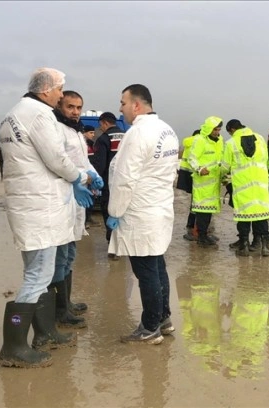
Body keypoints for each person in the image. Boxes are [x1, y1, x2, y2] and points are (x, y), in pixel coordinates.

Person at [0, 67, 100, 368]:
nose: (60, 94)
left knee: (39, 275)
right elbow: (56, 159)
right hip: (39, 208)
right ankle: (13, 346)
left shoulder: (14, 113)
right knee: (37, 276)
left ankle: (44, 333)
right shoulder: (39, 114)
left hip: (29, 204)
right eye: (59, 89)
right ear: (45, 90)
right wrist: (82, 177)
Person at [106, 83, 179, 344]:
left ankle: (150, 329)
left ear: (136, 105)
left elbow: (125, 178)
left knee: (146, 271)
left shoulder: (138, 134)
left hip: (139, 213)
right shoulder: (167, 131)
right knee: (158, 266)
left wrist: (114, 212)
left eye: (123, 103)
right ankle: (164, 318)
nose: (120, 109)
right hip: (159, 208)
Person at [50, 90, 104, 329]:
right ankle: (59, 310)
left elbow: (82, 161)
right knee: (61, 256)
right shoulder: (55, 129)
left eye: (78, 107)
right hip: (64, 196)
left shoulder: (76, 131)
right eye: (70, 106)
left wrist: (94, 174)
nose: (75, 111)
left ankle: (67, 303)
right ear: (60, 105)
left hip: (77, 198)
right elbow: (60, 163)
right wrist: (82, 178)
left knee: (71, 253)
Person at [221, 119, 269, 257]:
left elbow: (225, 166)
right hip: (260, 183)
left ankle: (243, 247)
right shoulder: (260, 138)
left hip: (242, 185)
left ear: (231, 130)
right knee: (261, 215)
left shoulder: (231, 143)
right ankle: (265, 246)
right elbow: (265, 158)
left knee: (243, 216)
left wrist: (222, 176)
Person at [90, 111, 125, 254]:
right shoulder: (127, 136)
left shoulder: (103, 139)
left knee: (109, 212)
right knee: (124, 213)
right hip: (127, 182)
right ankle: (123, 245)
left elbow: (100, 165)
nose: (101, 129)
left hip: (110, 184)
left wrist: (94, 182)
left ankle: (113, 246)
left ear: (104, 123)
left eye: (101, 126)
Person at [187, 116, 224, 247]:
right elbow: (192, 158)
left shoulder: (220, 141)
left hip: (214, 182)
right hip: (202, 182)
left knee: (209, 211)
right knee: (202, 211)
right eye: (215, 129)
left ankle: (205, 234)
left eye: (219, 129)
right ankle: (201, 236)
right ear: (209, 128)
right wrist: (199, 168)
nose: (217, 132)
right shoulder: (200, 140)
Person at [178, 129, 200, 241]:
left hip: (186, 174)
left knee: (194, 202)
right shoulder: (198, 143)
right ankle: (194, 227)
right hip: (196, 175)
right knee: (197, 203)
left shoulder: (188, 142)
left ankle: (190, 224)